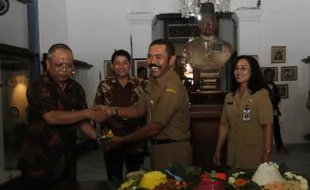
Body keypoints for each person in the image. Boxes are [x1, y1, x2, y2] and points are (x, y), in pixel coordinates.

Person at [19, 43, 106, 190]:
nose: (64, 70)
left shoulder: (76, 89)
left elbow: (82, 120)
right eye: (59, 65)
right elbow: (51, 117)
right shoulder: (37, 86)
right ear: (48, 63)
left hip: (67, 160)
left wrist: (98, 138)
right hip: (39, 161)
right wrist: (87, 112)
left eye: (69, 66)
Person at [95, 39, 192, 170]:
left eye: (159, 57)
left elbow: (154, 128)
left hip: (172, 149)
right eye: (149, 56)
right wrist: (111, 110)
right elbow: (139, 109)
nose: (153, 61)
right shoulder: (153, 81)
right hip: (157, 148)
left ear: (171, 60)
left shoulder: (171, 87)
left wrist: (123, 140)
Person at [93, 50, 147, 180]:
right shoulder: (104, 85)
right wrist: (110, 121)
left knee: (135, 177)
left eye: (125, 63)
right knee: (114, 177)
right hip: (112, 138)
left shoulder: (141, 84)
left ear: (130, 65)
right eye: (117, 63)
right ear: (112, 66)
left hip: (135, 137)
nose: (121, 66)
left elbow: (147, 109)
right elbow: (97, 110)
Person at [213, 55, 273, 170]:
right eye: (236, 68)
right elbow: (224, 125)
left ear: (253, 71)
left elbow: (267, 125)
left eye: (243, 68)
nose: (239, 72)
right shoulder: (230, 97)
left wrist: (267, 152)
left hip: (254, 155)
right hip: (233, 153)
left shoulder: (260, 95)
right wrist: (218, 149)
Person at [264, 69, 289, 153]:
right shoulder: (262, 87)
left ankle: (279, 146)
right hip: (265, 112)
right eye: (269, 75)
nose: (270, 77)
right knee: (264, 130)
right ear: (265, 76)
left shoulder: (274, 86)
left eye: (272, 75)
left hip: (273, 111)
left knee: (276, 129)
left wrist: (277, 95)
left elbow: (276, 98)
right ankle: (265, 148)